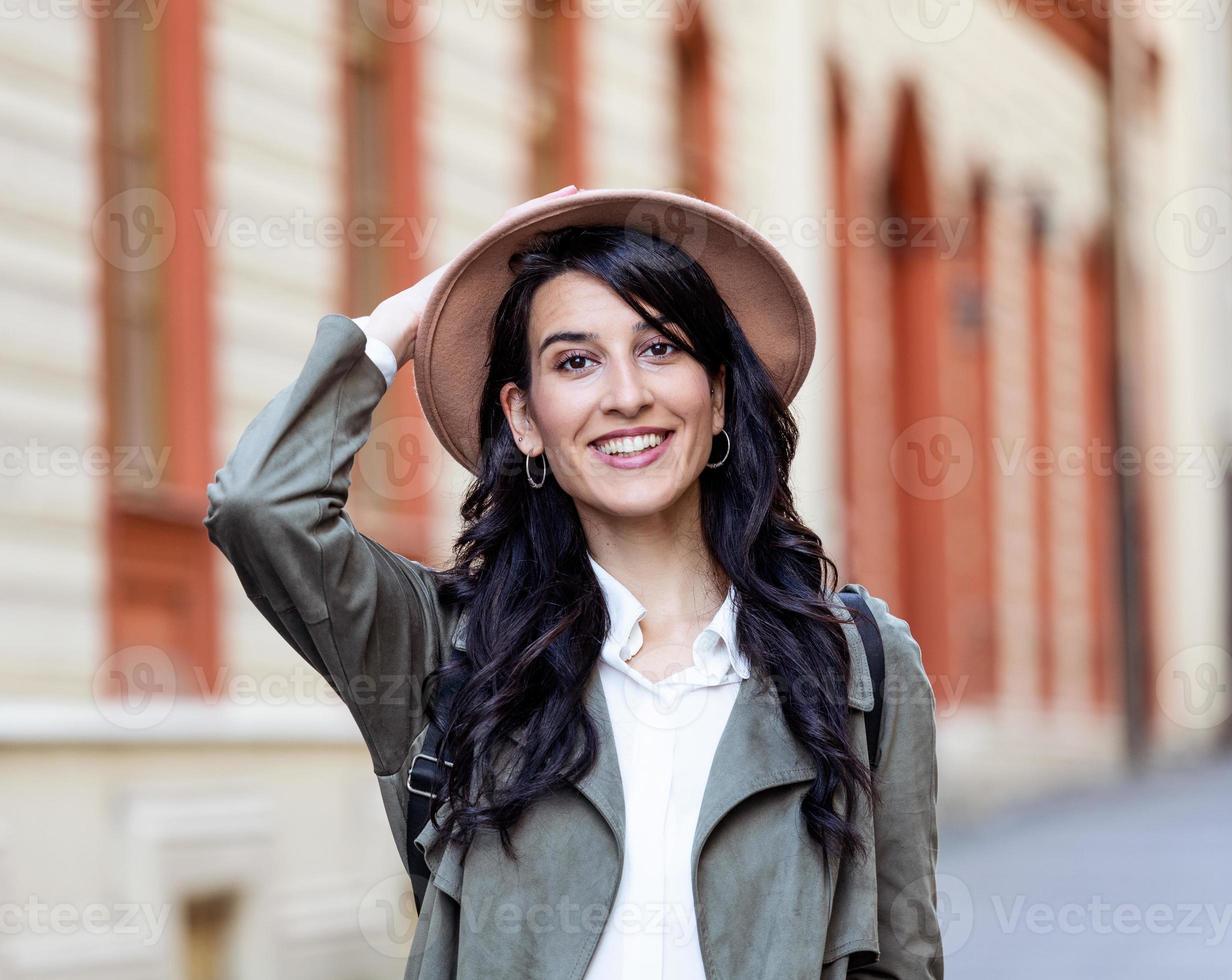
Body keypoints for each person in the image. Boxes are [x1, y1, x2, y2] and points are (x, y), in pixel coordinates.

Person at [203, 185, 943, 979]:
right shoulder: (446, 648)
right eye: (576, 361)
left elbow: (903, 957)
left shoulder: (856, 661)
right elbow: (259, 505)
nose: (626, 395)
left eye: (660, 348)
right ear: (523, 418)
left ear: (719, 393)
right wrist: (414, 314)